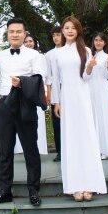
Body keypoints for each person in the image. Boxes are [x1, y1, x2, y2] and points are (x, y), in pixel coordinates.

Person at [0, 18, 48, 206]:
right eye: (11, 31)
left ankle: (33, 190)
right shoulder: (0, 55)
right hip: (5, 103)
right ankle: (5, 189)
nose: (15, 34)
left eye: (18, 31)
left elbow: (40, 78)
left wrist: (22, 82)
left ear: (25, 34)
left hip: (25, 103)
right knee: (5, 148)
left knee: (30, 148)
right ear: (7, 34)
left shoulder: (35, 55)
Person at [51, 16, 107, 202]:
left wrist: (90, 68)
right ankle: (74, 185)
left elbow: (86, 77)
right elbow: (55, 80)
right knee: (71, 140)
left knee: (87, 138)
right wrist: (56, 102)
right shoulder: (56, 54)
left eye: (73, 28)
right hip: (66, 98)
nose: (69, 31)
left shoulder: (86, 50)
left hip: (83, 97)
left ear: (78, 30)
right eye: (66, 28)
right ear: (62, 31)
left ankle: (90, 184)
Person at [15, 34, 48, 155]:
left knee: (37, 120)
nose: (29, 43)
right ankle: (24, 149)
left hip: (37, 90)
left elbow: (44, 75)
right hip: (23, 89)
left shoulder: (40, 56)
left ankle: (39, 148)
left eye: (31, 41)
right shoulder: (20, 56)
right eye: (26, 41)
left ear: (35, 42)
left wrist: (45, 92)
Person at [86, 33, 108, 159]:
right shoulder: (90, 56)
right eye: (96, 40)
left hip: (102, 88)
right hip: (90, 88)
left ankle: (106, 149)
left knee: (103, 116)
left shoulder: (107, 57)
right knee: (93, 116)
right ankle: (95, 148)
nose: (98, 43)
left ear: (105, 42)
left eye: (101, 40)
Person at [45, 25, 64, 161]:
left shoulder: (73, 51)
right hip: (56, 90)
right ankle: (60, 151)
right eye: (54, 36)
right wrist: (49, 94)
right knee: (57, 121)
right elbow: (48, 77)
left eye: (58, 35)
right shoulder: (49, 54)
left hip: (70, 88)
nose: (56, 38)